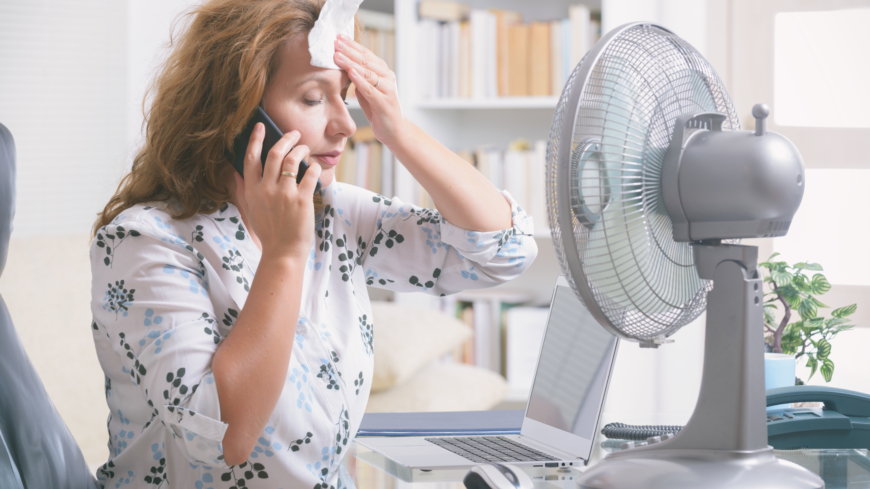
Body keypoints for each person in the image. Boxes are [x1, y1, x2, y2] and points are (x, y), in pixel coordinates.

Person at [89, 0, 537, 487]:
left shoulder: (334, 213)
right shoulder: (144, 242)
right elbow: (219, 442)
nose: (346, 125)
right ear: (236, 117)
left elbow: (503, 252)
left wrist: (398, 131)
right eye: (311, 98)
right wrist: (284, 254)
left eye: (345, 96)